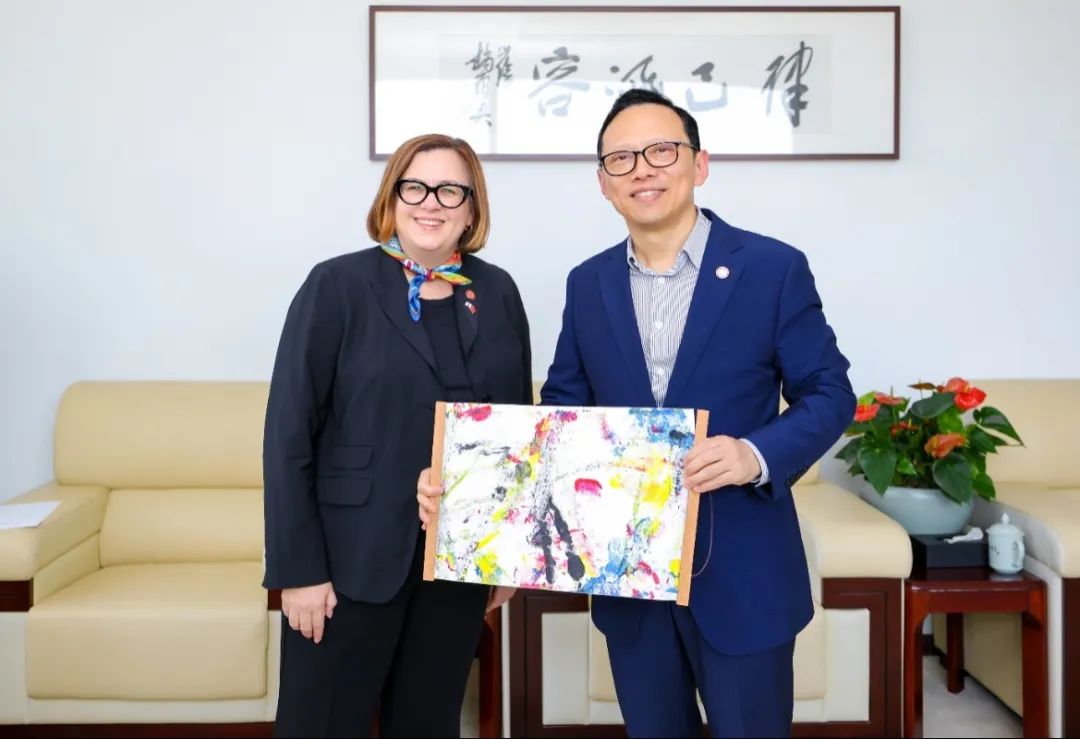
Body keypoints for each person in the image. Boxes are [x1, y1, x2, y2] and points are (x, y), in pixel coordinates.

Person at [539, 89, 856, 737]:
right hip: (629, 571)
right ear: (604, 182)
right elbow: (565, 410)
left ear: (699, 164)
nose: (642, 170)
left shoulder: (771, 268)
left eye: (661, 151)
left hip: (743, 568)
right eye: (622, 159)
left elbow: (830, 391)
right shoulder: (587, 283)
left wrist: (753, 454)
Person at [263, 133, 531, 738]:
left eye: (450, 190)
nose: (430, 202)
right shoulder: (336, 285)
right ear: (391, 199)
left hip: (458, 565)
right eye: (415, 187)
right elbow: (288, 435)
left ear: (471, 209)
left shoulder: (497, 292)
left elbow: (518, 434)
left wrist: (509, 557)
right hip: (347, 564)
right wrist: (298, 571)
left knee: (429, 723)